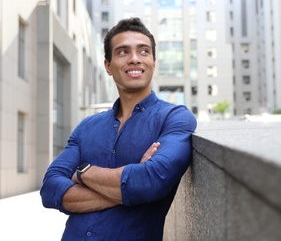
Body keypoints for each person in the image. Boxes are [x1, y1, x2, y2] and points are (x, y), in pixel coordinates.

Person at [40, 17, 197, 240]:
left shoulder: (174, 118)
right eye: (123, 52)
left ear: (153, 61)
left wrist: (82, 173)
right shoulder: (87, 127)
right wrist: (130, 186)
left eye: (143, 51)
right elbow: (50, 189)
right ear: (108, 66)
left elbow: (151, 181)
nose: (134, 59)